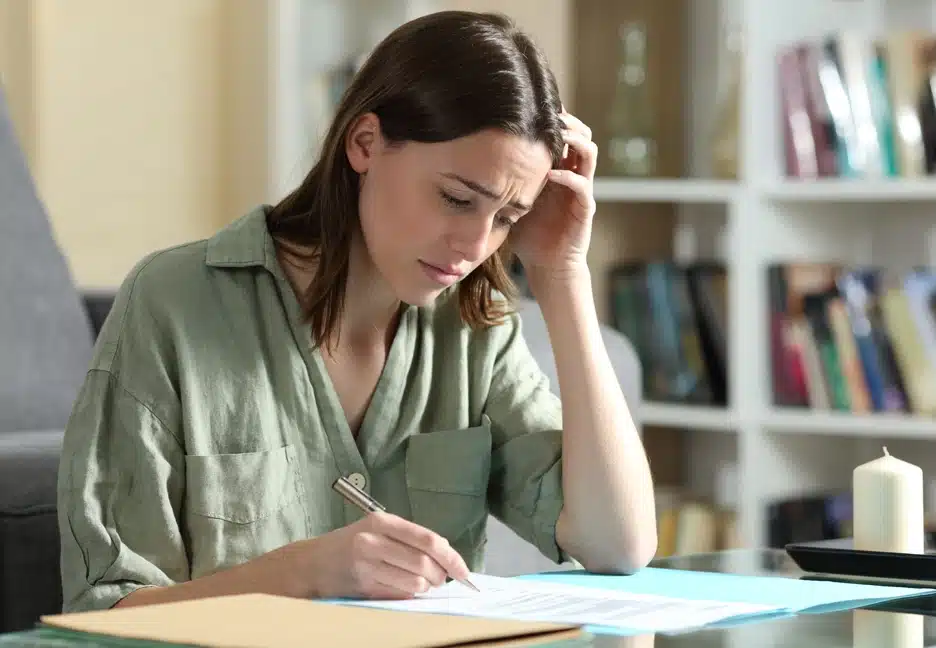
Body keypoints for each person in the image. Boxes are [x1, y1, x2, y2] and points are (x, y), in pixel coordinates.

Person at [57, 10, 657, 613]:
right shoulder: (172, 303)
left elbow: (618, 542)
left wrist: (561, 273)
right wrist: (300, 573)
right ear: (365, 142)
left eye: (507, 218)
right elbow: (101, 614)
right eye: (455, 198)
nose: (476, 246)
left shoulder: (475, 331)